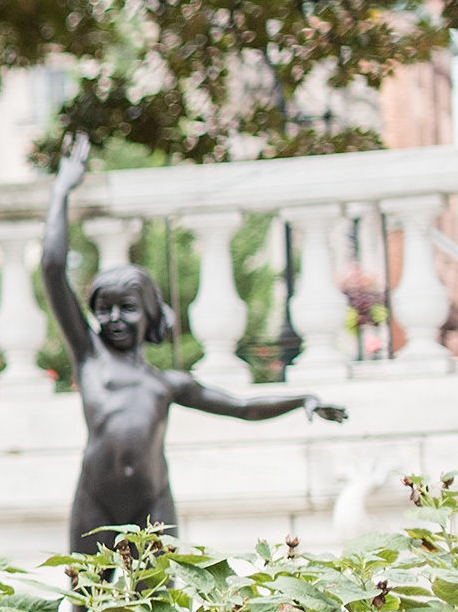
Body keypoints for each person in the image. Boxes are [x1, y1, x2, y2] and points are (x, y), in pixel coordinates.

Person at [42, 141, 344, 556]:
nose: (113, 318)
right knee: (88, 608)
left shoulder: (167, 384)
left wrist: (302, 398)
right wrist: (62, 191)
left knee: (159, 608)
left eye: (127, 308)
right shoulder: (89, 356)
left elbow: (242, 407)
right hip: (95, 503)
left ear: (149, 313)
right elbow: (53, 268)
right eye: (104, 309)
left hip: (153, 505)